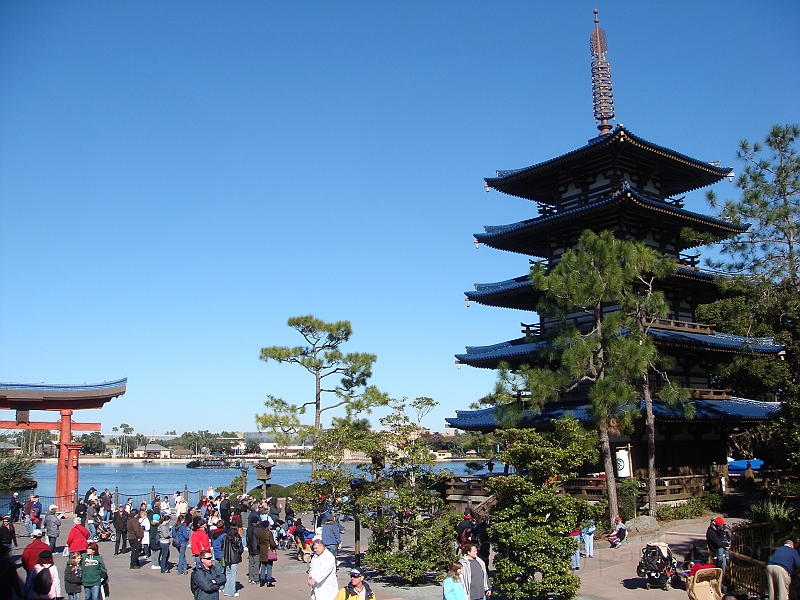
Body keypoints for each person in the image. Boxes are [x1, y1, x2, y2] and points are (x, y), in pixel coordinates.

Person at [222, 524, 243, 597]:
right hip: (234, 558)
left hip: (227, 558)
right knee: (233, 575)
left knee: (228, 574)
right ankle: (232, 592)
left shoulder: (225, 537)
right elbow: (240, 549)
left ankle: (226, 590)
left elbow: (222, 547)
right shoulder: (237, 538)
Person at [258, 514, 278, 587]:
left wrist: (261, 547)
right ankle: (268, 580)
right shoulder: (268, 533)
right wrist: (275, 547)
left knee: (263, 566)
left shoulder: (260, 532)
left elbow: (258, 542)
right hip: (268, 550)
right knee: (269, 566)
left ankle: (262, 580)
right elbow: (272, 542)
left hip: (262, 550)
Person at [245, 514, 261, 585]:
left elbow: (247, 538)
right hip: (256, 548)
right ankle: (255, 578)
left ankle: (251, 578)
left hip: (250, 547)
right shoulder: (258, 529)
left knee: (251, 563)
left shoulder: (249, 528)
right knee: (256, 563)